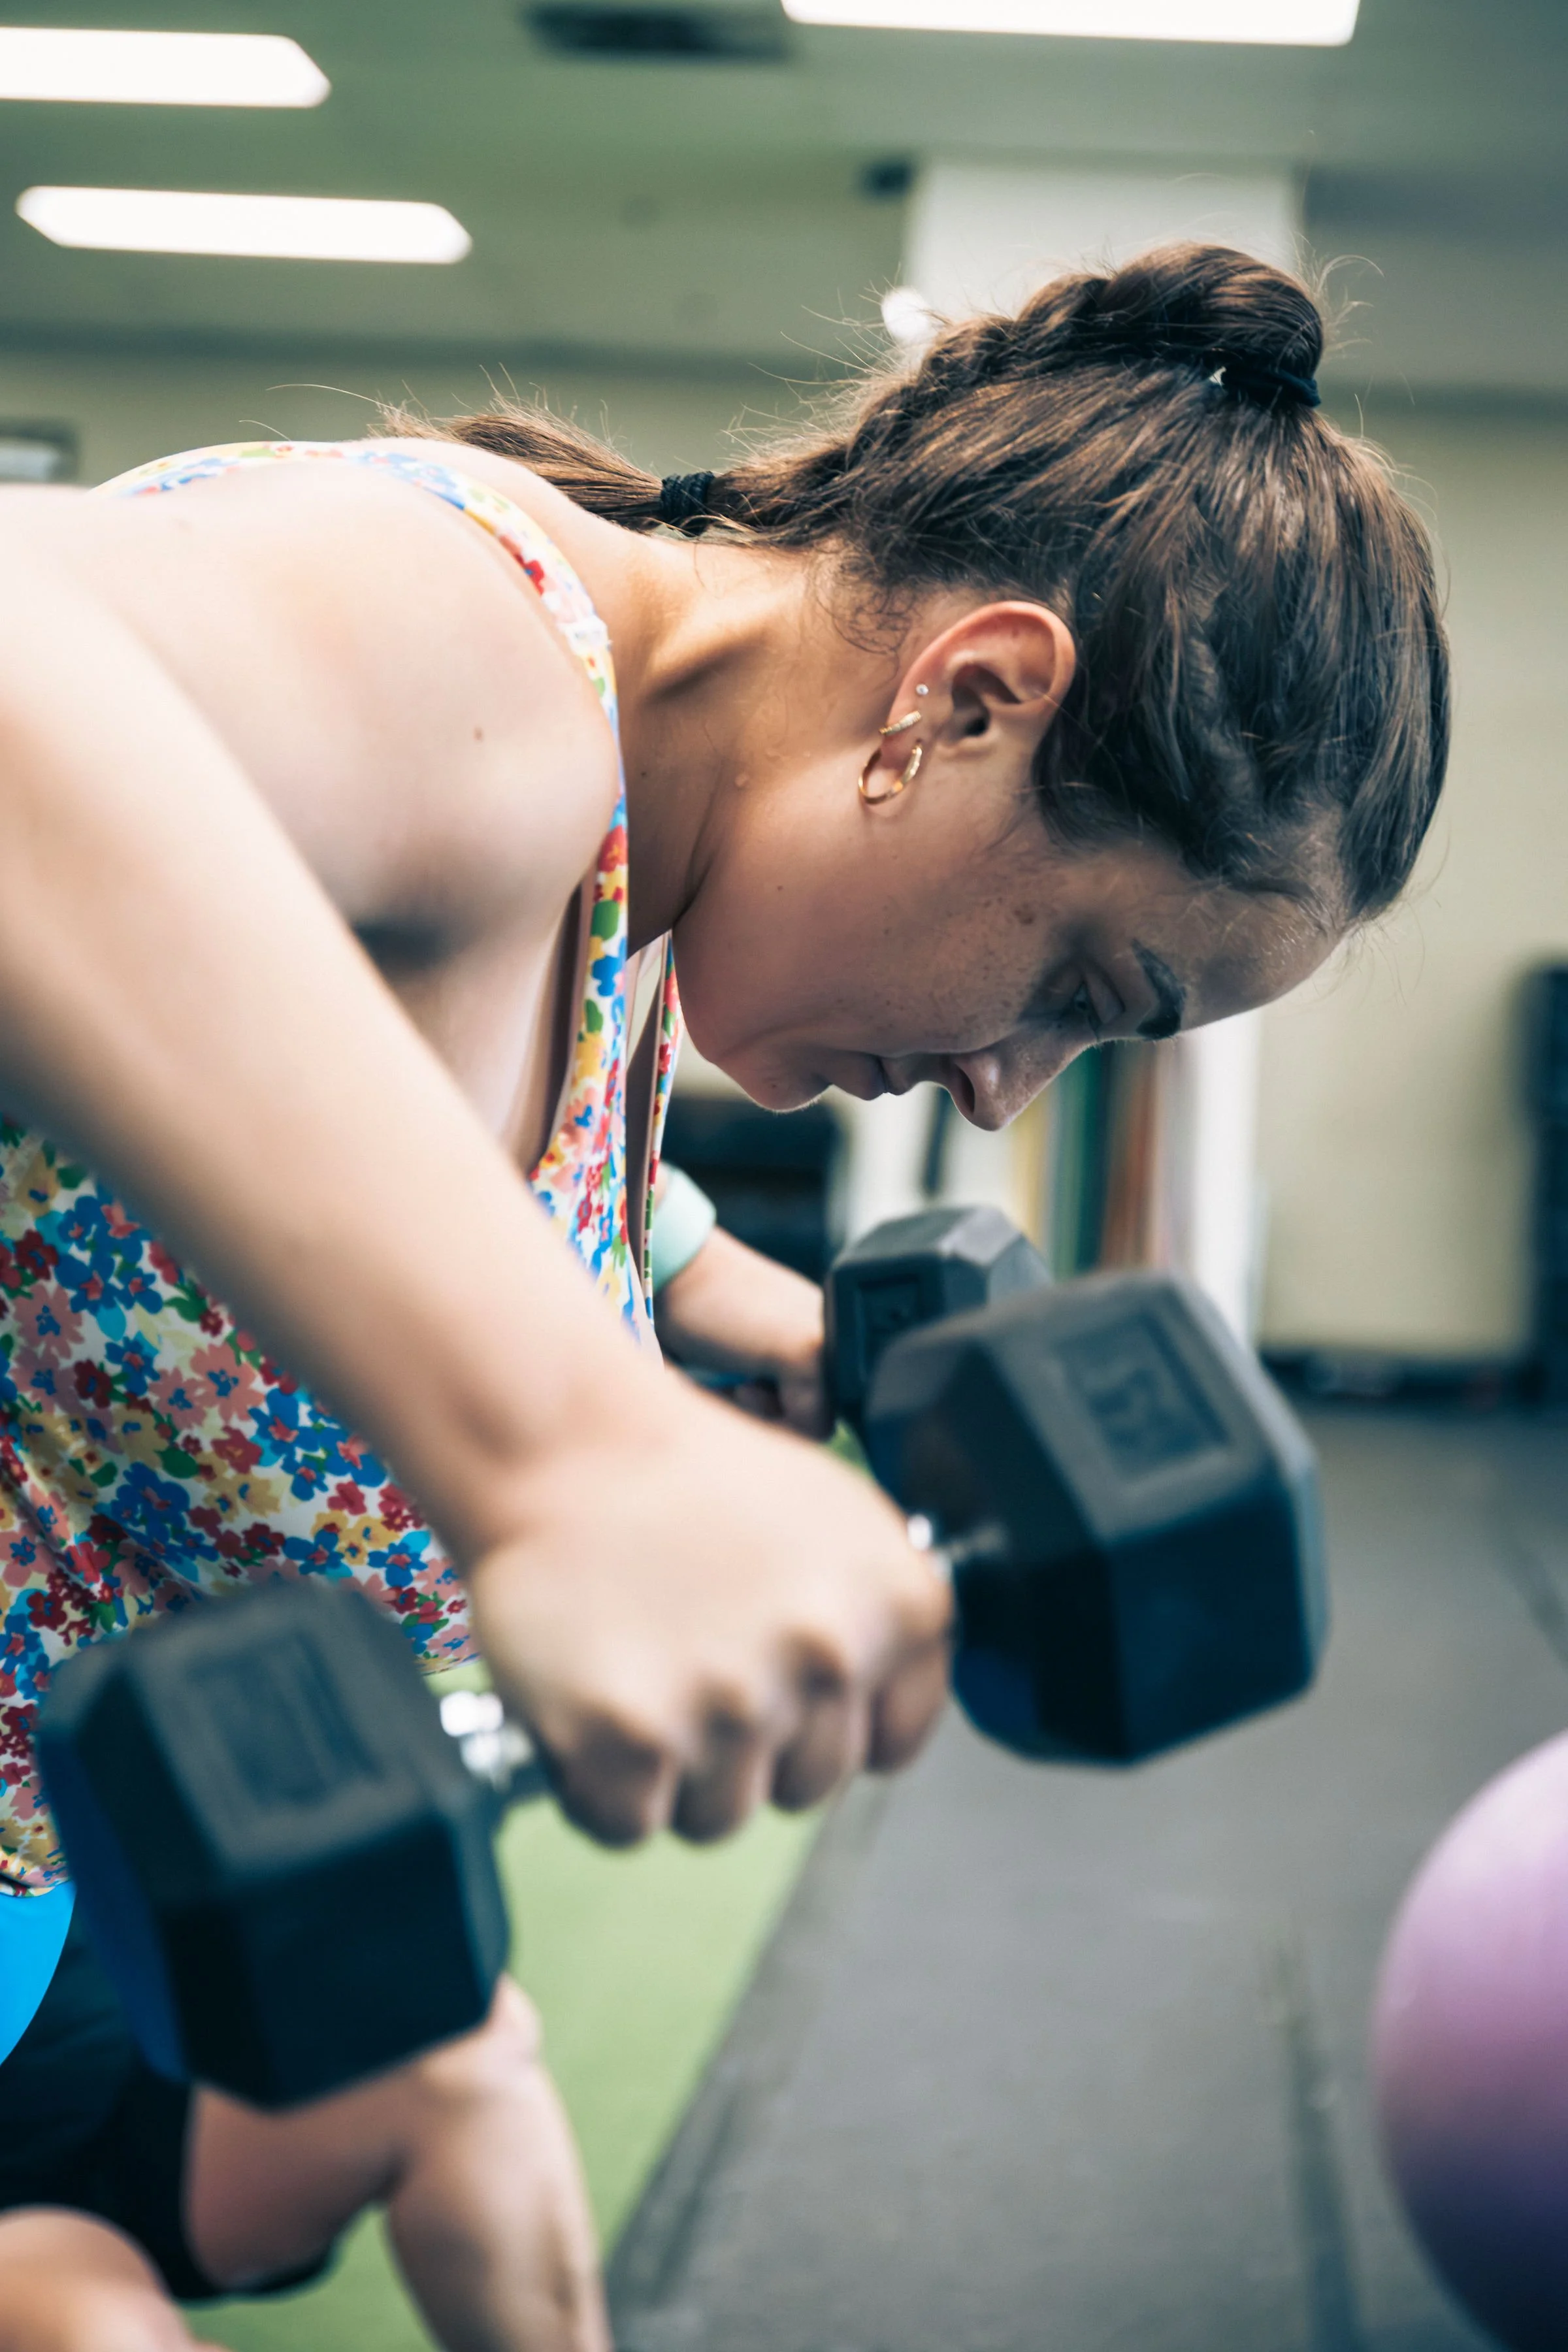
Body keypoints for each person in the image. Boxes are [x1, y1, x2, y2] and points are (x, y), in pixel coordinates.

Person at [0, 242, 1447, 2351]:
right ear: (971, 698)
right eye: (1078, 990)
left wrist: (704, 1289)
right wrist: (569, 1463)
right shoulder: (473, 637)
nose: (1000, 1086)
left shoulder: (635, 857)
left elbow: (419, 1062)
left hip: (108, 1856)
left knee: (454, 2101)